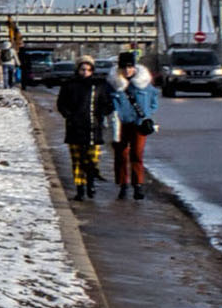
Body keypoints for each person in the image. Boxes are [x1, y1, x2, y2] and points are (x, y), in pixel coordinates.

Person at [111, 48, 161, 201]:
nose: (127, 70)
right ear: (119, 68)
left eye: (130, 66)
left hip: (139, 125)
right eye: (124, 67)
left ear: (134, 67)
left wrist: (146, 114)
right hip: (120, 125)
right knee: (121, 155)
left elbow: (154, 102)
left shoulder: (144, 84)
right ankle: (123, 185)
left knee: (137, 155)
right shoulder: (114, 84)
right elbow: (106, 102)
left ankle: (138, 185)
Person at [55, 54, 108, 200]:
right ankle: (80, 189)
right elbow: (61, 104)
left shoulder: (98, 85)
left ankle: (91, 184)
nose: (85, 72)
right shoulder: (69, 85)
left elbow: (106, 103)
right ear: (78, 69)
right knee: (77, 159)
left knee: (92, 159)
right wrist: (69, 116)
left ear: (92, 70)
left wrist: (100, 115)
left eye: (88, 69)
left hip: (93, 127)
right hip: (75, 127)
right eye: (82, 69)